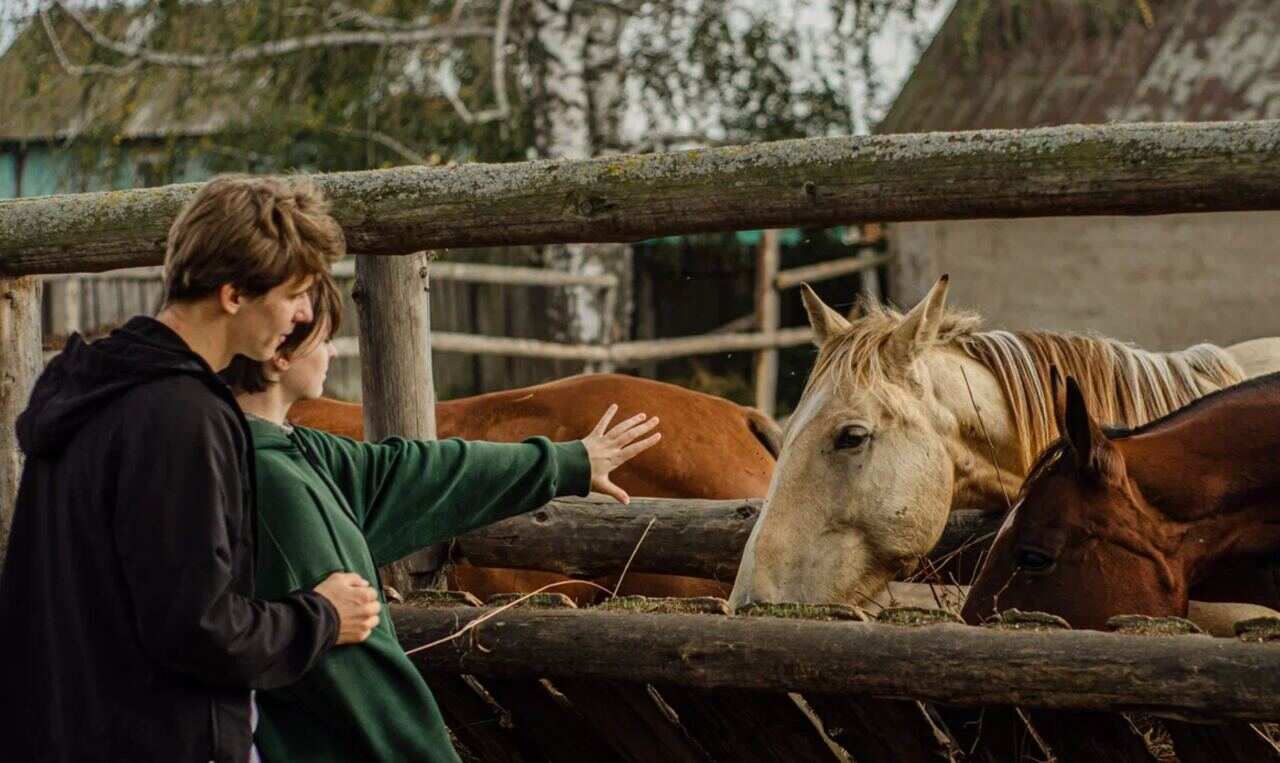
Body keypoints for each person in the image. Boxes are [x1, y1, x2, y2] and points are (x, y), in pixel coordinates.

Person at [0, 176, 382, 762]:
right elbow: (198, 628)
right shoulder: (181, 416)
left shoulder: (89, 388)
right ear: (233, 294)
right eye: (295, 292)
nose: (305, 313)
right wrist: (322, 615)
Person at [220, 277, 662, 762]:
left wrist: (569, 463)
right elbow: (350, 672)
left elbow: (415, 472)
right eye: (324, 340)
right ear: (281, 355)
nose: (332, 353)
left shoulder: (292, 449)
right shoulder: (274, 485)